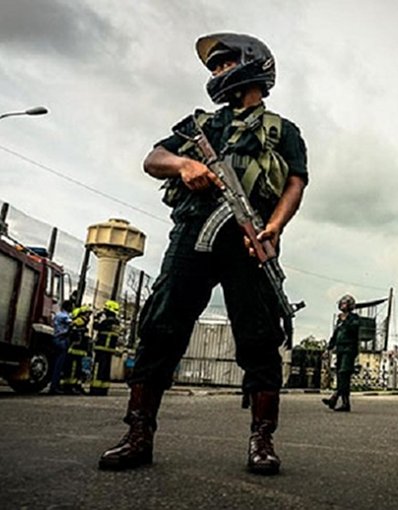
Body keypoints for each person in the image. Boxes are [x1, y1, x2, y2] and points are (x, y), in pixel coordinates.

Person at [98, 33, 308, 476]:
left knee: (258, 336)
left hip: (251, 241)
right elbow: (154, 158)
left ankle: (262, 440)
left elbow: (295, 182)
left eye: (223, 64)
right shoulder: (204, 126)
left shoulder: (284, 131)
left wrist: (273, 227)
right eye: (213, 68)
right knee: (161, 326)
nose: (215, 73)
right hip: (194, 233)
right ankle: (138, 432)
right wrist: (185, 165)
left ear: (252, 65)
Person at [322, 295, 360, 412]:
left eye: (345, 303)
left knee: (344, 374)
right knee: (341, 376)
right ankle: (344, 403)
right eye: (341, 303)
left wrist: (345, 320)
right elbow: (335, 335)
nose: (342, 305)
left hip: (349, 350)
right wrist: (328, 349)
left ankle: (335, 397)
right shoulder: (339, 319)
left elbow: (354, 330)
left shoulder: (354, 318)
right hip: (340, 350)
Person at [89, 300, 122, 396]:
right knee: (106, 371)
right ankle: (103, 389)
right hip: (109, 350)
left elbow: (96, 327)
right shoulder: (117, 323)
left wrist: (96, 318)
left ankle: (95, 389)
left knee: (98, 370)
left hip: (102, 348)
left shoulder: (107, 321)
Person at [62, 305, 93, 395]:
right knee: (73, 368)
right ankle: (70, 387)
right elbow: (72, 327)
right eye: (87, 314)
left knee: (77, 369)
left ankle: (75, 386)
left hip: (80, 350)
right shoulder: (79, 321)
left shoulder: (84, 323)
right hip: (75, 349)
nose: (88, 316)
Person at [48, 300, 73, 395]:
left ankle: (54, 385)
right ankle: (54, 387)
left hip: (56, 339)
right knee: (59, 366)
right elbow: (72, 323)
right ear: (68, 307)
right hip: (61, 340)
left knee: (56, 364)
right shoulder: (64, 316)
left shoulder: (57, 315)